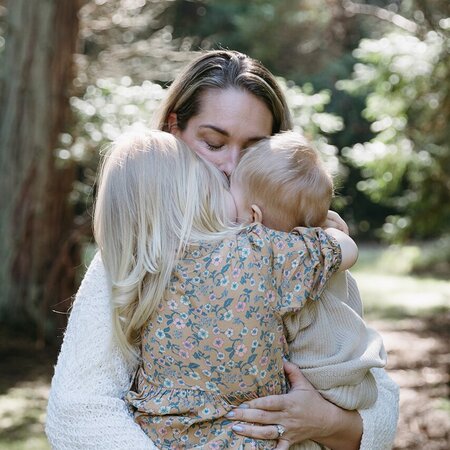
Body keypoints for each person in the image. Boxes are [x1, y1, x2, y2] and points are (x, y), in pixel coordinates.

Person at [46, 50, 399, 450]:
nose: (231, 166)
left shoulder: (297, 247)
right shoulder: (143, 248)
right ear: (174, 131)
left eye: (252, 150)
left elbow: (378, 400)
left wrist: (324, 421)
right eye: (214, 143)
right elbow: (78, 411)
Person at [93, 129, 382, 449]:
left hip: (164, 437)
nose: (225, 177)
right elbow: (345, 251)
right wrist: (326, 230)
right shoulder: (258, 250)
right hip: (249, 438)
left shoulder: (142, 272)